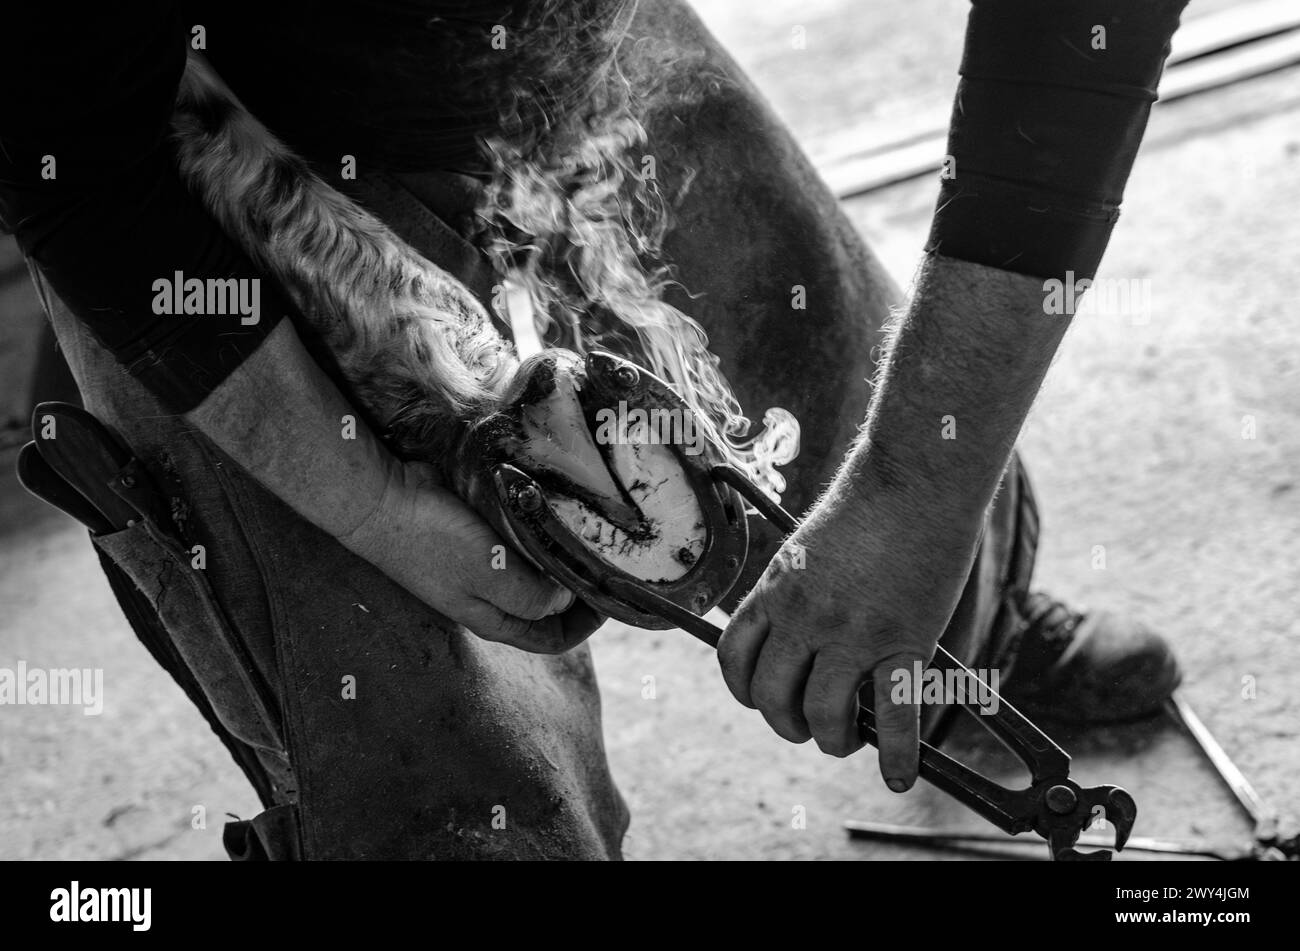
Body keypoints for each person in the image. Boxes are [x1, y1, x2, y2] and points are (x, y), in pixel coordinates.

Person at [0, 0, 1184, 860]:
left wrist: (915, 496)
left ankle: (975, 641)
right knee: (441, 792)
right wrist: (376, 505)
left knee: (831, 380)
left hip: (544, 41)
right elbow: (75, 156)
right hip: (175, 156)